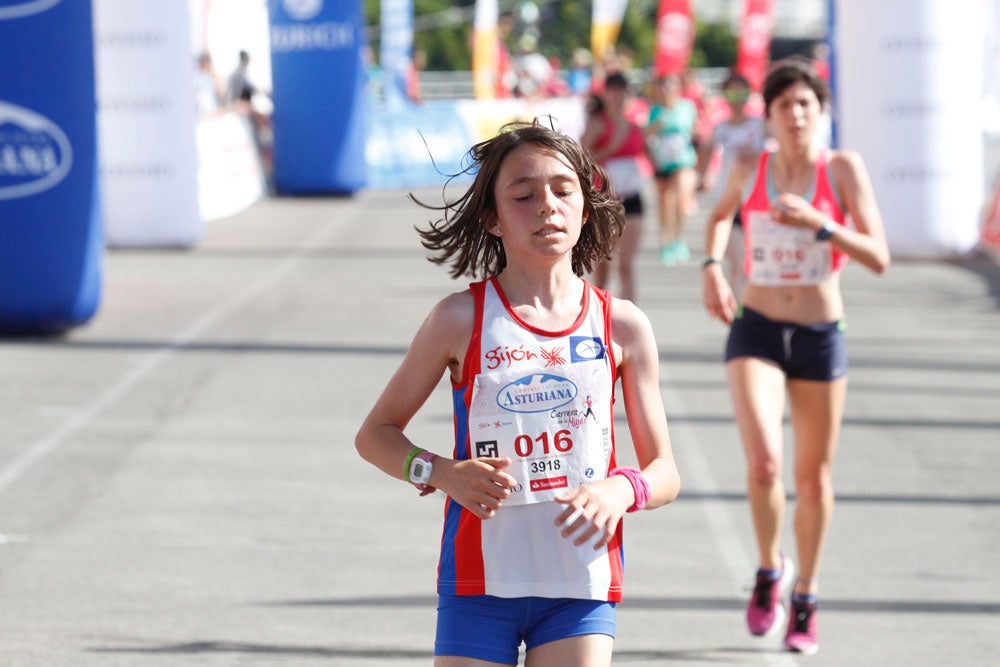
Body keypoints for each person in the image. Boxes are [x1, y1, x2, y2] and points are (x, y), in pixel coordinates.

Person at [356, 121, 681, 667]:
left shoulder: (621, 325)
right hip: (479, 582)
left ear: (585, 205)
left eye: (563, 190)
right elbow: (375, 436)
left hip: (581, 582)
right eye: (524, 195)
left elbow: (664, 471)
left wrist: (620, 491)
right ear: (493, 218)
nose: (547, 207)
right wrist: (438, 471)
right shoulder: (459, 319)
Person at [701, 59, 890, 655]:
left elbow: (879, 256)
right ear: (770, 114)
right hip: (756, 326)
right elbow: (720, 215)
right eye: (785, 105)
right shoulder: (748, 166)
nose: (797, 115)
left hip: (818, 332)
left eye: (807, 104)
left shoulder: (842, 170)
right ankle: (768, 570)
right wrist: (711, 266)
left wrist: (823, 225)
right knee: (764, 465)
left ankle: (805, 592)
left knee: (812, 478)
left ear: (820, 111)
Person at [695, 71, 767, 298]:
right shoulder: (722, 128)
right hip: (728, 200)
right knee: (739, 264)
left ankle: (752, 311)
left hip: (757, 200)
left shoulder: (762, 126)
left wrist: (758, 155)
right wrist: (703, 175)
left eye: (741, 93)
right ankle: (739, 316)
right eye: (731, 94)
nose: (736, 99)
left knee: (757, 266)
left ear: (749, 96)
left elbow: (781, 150)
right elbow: (705, 153)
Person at [579, 72, 648, 302]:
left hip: (633, 197)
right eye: (614, 90)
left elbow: (648, 154)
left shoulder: (633, 126)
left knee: (626, 264)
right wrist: (610, 147)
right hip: (605, 199)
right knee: (604, 262)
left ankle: (631, 318)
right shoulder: (598, 124)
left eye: (623, 91)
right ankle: (600, 310)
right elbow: (581, 159)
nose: (619, 96)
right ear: (605, 93)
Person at [645, 73, 698, 265]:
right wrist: (654, 129)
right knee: (666, 203)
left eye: (670, 86)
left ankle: (679, 237)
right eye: (663, 86)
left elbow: (696, 131)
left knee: (682, 198)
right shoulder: (655, 111)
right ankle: (667, 241)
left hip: (684, 161)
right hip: (662, 162)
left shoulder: (687, 107)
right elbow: (646, 137)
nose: (667, 90)